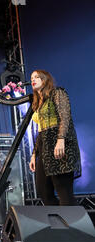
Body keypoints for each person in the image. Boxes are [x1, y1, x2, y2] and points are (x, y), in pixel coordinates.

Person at [28, 70, 81, 206]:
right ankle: (60, 222)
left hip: (59, 143)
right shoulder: (38, 102)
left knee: (64, 192)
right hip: (45, 148)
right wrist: (34, 154)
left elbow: (65, 117)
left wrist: (61, 139)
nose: (33, 79)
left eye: (37, 77)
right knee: (43, 191)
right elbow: (41, 131)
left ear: (45, 80)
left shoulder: (57, 93)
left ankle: (72, 225)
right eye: (32, 77)